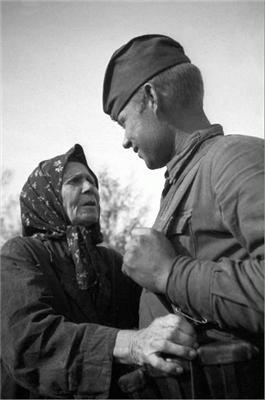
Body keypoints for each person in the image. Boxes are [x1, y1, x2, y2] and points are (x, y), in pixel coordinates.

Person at [103, 34, 264, 398]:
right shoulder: (187, 177)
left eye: (124, 122)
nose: (126, 140)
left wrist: (170, 272)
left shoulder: (232, 159)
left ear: (151, 98)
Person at [0, 144, 198, 399]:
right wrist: (132, 343)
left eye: (92, 181)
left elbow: (151, 314)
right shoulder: (20, 254)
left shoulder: (114, 263)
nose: (89, 187)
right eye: (74, 181)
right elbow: (28, 341)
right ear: (45, 196)